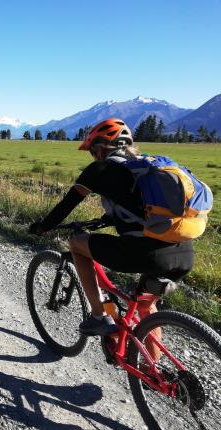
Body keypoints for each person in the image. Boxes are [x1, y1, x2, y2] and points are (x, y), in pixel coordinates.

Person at [29, 118, 194, 336]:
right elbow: (139, 210)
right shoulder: (146, 167)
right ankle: (148, 368)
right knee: (146, 307)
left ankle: (99, 316)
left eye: (92, 150)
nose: (92, 155)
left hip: (145, 252)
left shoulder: (100, 168)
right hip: (183, 252)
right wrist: (106, 220)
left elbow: (66, 205)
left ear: (100, 147)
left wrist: (42, 227)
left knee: (77, 243)